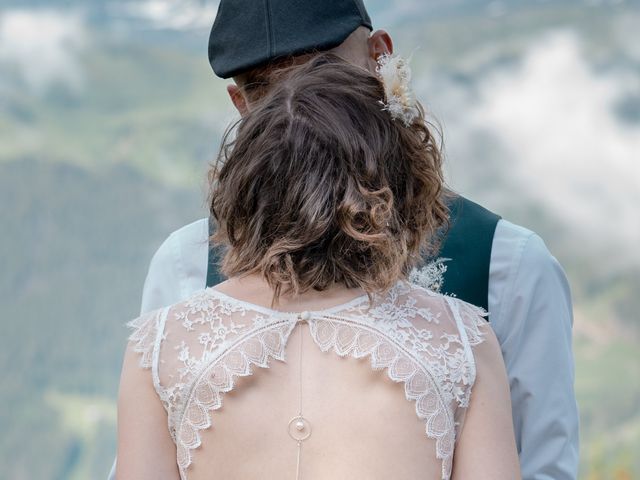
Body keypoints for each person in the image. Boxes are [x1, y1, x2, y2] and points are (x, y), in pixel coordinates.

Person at [110, 1, 578, 479]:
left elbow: (544, 468)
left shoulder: (510, 262)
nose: (301, 103)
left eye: (323, 70)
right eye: (264, 89)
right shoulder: (184, 262)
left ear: (381, 57)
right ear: (241, 106)